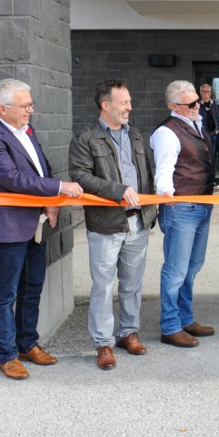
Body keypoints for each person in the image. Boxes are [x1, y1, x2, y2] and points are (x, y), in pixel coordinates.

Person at [0, 79, 84, 380]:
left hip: (37, 222)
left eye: (30, 104)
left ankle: (27, 345)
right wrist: (60, 188)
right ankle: (7, 356)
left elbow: (40, 168)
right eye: (25, 106)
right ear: (2, 109)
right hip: (8, 225)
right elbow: (14, 179)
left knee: (32, 286)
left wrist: (50, 201)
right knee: (6, 294)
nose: (30, 110)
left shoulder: (27, 130)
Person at [69, 79, 158, 369]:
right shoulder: (86, 138)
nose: (130, 107)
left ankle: (128, 333)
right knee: (104, 286)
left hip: (138, 224)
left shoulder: (136, 136)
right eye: (124, 102)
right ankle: (103, 343)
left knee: (132, 284)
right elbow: (81, 177)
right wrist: (118, 190)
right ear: (105, 105)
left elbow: (148, 172)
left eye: (129, 101)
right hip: (106, 225)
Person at [151, 80, 216, 348]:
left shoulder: (197, 123)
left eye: (197, 102)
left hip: (202, 204)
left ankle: (185, 318)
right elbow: (163, 170)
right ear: (173, 106)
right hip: (182, 208)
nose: (196, 106)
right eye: (190, 104)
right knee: (176, 270)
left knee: (192, 267)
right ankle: (170, 326)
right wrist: (169, 199)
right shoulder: (167, 132)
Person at [200, 83, 219, 168]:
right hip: (203, 135)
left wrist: (217, 129)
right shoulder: (198, 105)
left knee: (212, 156)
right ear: (200, 92)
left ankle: (212, 175)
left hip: (213, 134)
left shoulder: (214, 105)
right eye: (204, 92)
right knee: (203, 156)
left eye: (208, 92)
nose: (206, 94)